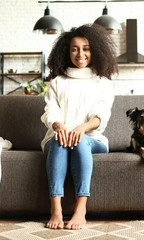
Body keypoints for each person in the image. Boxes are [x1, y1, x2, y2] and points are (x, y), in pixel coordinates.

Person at [40, 24, 118, 230]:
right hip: (59, 137)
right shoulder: (57, 82)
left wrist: (81, 128)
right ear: (67, 51)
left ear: (95, 51)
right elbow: (51, 112)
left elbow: (101, 115)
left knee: (80, 142)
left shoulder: (103, 83)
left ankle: (80, 209)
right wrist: (60, 127)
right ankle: (55, 209)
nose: (80, 54)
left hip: (93, 140)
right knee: (59, 141)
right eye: (75, 48)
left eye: (86, 48)